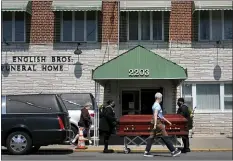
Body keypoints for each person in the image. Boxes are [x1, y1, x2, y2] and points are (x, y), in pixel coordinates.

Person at [144, 92, 181, 157]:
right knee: (165, 136)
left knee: (151, 136)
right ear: (159, 98)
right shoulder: (157, 105)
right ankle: (173, 151)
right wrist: (155, 124)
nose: (162, 99)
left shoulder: (154, 104)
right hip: (157, 122)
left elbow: (160, 115)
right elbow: (155, 114)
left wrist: (167, 121)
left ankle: (146, 152)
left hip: (154, 121)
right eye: (161, 98)